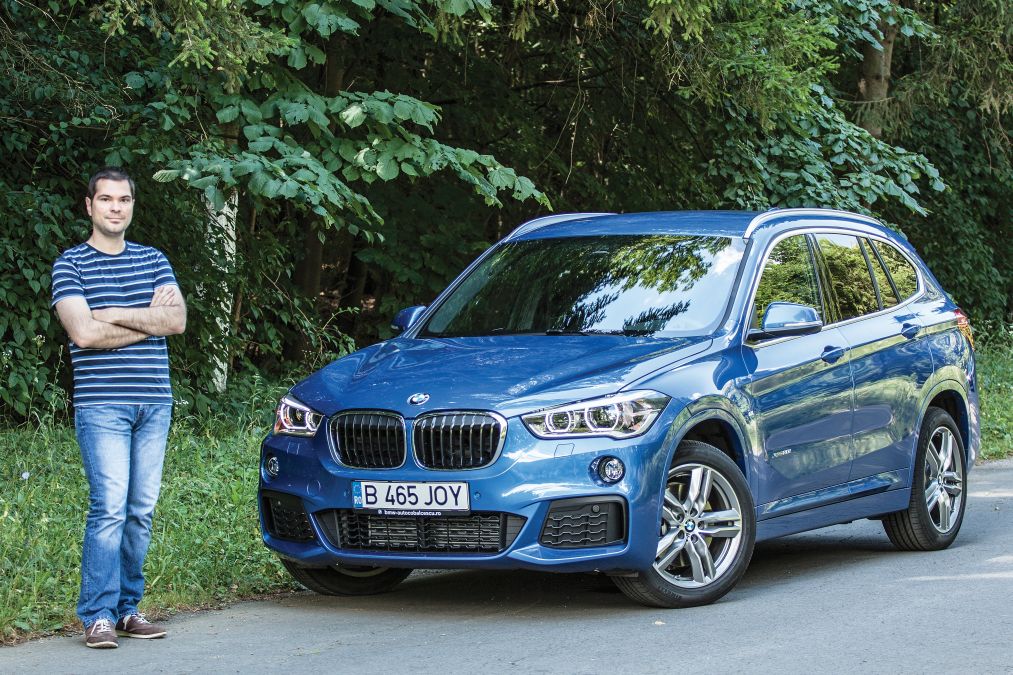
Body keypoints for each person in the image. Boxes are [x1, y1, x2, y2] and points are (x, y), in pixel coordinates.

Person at [51, 167, 187, 649]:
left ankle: (128, 609)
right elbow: (83, 334)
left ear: (132, 205)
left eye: (123, 199)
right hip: (103, 405)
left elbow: (177, 321)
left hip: (154, 402)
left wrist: (112, 313)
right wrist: (148, 319)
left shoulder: (153, 259)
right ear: (90, 206)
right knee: (109, 508)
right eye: (106, 199)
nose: (115, 207)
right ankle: (97, 615)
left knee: (140, 511)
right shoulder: (70, 265)